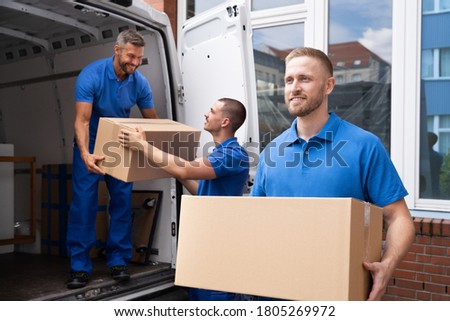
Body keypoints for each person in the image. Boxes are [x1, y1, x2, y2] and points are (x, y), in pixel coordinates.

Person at [250, 47, 415, 301]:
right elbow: (255, 221)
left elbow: (399, 218)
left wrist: (388, 264)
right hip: (274, 293)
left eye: (304, 79)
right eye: (289, 80)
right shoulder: (272, 150)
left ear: (328, 86)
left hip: (339, 295)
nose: (294, 87)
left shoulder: (364, 145)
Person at [118, 97, 250, 300]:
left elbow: (186, 168)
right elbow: (200, 190)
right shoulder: (220, 153)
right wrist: (161, 160)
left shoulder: (233, 154)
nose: (206, 114)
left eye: (212, 111)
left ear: (225, 122)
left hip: (218, 248)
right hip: (204, 244)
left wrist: (143, 146)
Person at [66, 29, 159, 289]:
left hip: (120, 146)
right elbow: (81, 121)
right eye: (131, 56)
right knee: (83, 204)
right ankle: (79, 266)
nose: (135, 63)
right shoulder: (92, 75)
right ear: (117, 50)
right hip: (90, 144)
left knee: (121, 202)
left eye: (139, 58)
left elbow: (153, 121)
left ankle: (118, 260)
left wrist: (149, 139)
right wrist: (85, 154)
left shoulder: (139, 82)